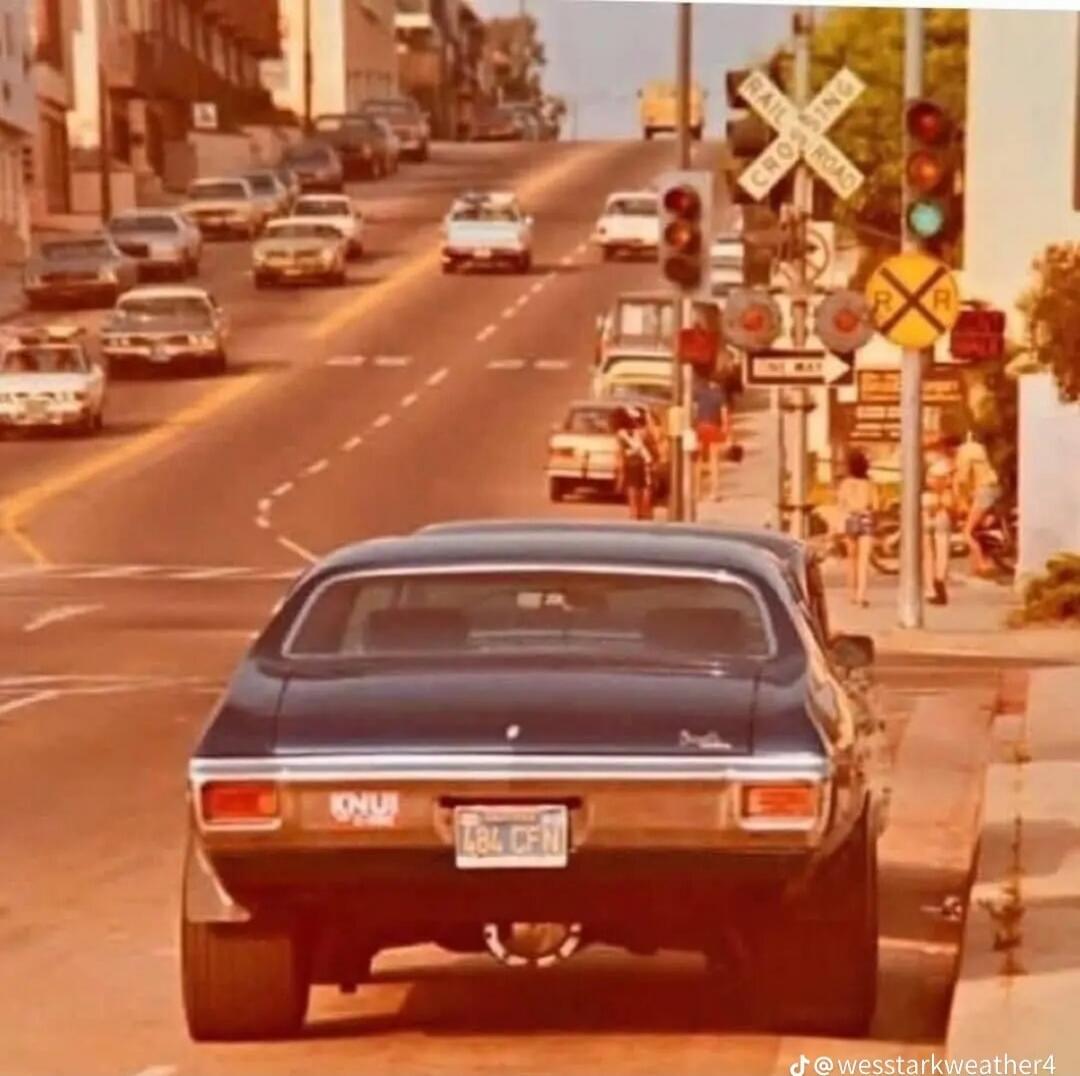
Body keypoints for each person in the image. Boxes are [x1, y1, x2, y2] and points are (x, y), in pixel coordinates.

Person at [954, 432, 1003, 577]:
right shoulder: (979, 448)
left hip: (985, 490)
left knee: (967, 532)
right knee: (978, 529)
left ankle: (982, 564)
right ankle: (978, 564)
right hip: (993, 487)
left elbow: (963, 478)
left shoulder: (965, 451)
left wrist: (962, 497)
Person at [836, 448, 878, 606]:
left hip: (850, 519)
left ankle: (851, 593)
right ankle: (862, 594)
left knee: (851, 559)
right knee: (864, 559)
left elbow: (840, 505)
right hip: (866, 518)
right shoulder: (869, 483)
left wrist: (836, 527)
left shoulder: (845, 484)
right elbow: (876, 504)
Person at [922, 437, 958, 605]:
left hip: (925, 504)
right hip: (942, 504)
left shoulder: (920, 463)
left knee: (927, 551)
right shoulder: (947, 465)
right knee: (942, 545)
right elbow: (951, 486)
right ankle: (940, 579)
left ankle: (929, 589)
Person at [692, 369, 731, 503]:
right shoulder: (721, 395)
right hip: (714, 427)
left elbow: (695, 410)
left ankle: (697, 493)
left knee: (698, 462)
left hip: (701, 427)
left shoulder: (700, 392)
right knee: (714, 461)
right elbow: (724, 414)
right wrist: (726, 430)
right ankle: (714, 493)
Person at [612, 406, 657, 520]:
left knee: (632, 488)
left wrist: (620, 474)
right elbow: (654, 447)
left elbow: (620, 454)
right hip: (645, 462)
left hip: (631, 463)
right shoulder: (645, 432)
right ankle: (645, 512)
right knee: (647, 487)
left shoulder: (620, 434)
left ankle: (634, 513)